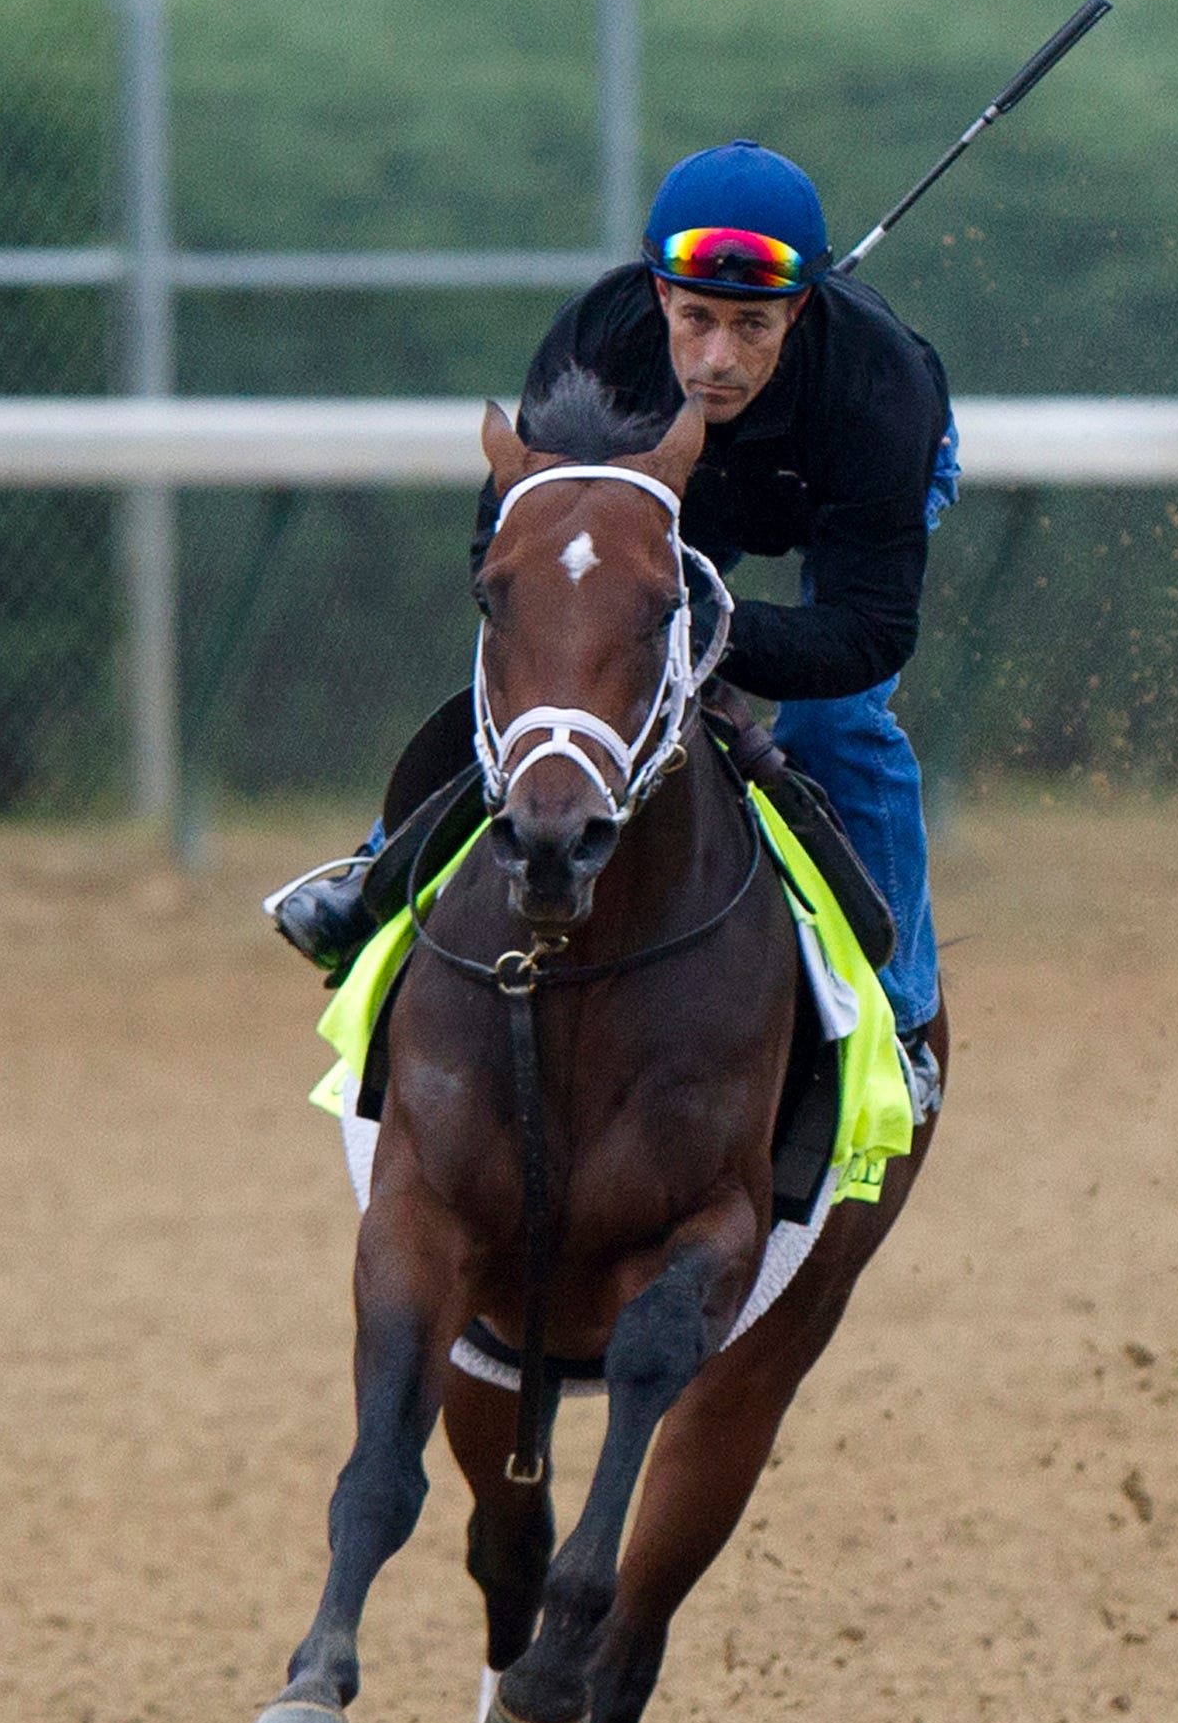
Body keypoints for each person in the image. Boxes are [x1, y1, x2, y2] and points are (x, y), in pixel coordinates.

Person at [269, 137, 957, 1053]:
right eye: (697, 318)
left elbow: (869, 635)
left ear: (800, 306)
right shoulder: (597, 345)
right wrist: (603, 620)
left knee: (835, 725)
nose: (718, 360)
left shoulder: (880, 390)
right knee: (560, 678)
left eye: (754, 326)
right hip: (674, 488)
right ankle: (373, 874)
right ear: (658, 294)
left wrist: (712, 634)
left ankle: (902, 1018)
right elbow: (505, 546)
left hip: (833, 491)